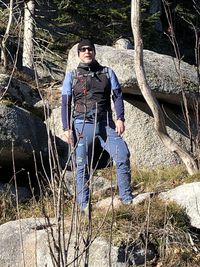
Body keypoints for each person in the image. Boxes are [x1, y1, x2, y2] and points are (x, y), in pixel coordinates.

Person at [61, 39, 133, 213]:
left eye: (90, 49)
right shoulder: (72, 75)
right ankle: (84, 206)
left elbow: (117, 96)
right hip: (81, 125)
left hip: (106, 124)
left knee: (122, 155)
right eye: (83, 50)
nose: (87, 52)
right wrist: (66, 128)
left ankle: (127, 199)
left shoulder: (107, 73)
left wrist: (120, 118)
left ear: (94, 52)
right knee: (81, 166)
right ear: (79, 54)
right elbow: (65, 103)